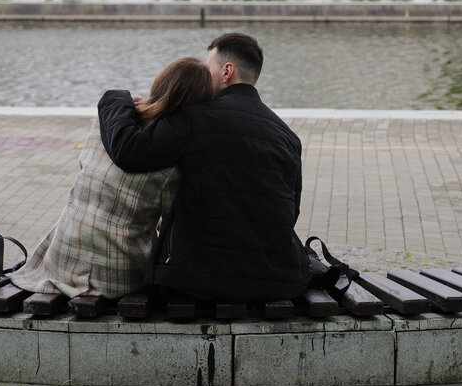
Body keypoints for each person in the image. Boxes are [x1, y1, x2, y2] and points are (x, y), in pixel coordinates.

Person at [97, 32, 311, 302]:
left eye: (207, 68)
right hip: (280, 281)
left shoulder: (194, 118)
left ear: (227, 71)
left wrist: (115, 99)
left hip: (198, 280)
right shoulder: (288, 136)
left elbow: (129, 151)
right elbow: (290, 213)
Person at [11, 57, 213, 299]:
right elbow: (172, 225)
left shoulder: (105, 124)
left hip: (61, 261)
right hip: (118, 277)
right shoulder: (172, 158)